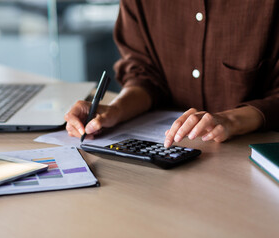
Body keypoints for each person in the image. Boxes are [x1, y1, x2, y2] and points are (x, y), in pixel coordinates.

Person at [65, 0, 279, 148]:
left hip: (249, 156)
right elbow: (145, 75)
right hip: (166, 156)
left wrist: (232, 120)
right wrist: (114, 111)